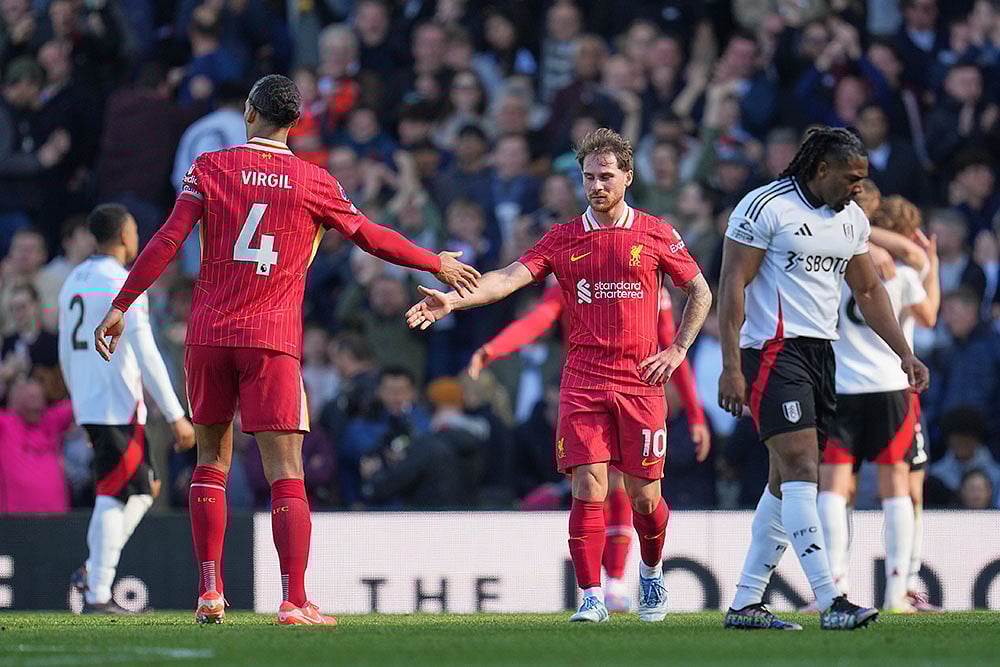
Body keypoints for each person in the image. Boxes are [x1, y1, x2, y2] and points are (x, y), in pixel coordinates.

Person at [94, 74, 480, 626]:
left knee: (210, 462)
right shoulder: (313, 181)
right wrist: (432, 261)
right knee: (285, 470)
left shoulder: (210, 168)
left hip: (209, 335)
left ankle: (210, 590)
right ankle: (294, 599)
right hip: (271, 340)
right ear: (295, 124)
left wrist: (122, 303)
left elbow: (167, 240)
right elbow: (370, 235)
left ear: (250, 113)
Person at [407, 128, 713, 623]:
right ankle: (591, 596)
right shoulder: (564, 237)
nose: (596, 186)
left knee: (644, 496)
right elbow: (507, 279)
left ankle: (652, 573)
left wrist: (678, 350)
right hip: (584, 382)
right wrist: (455, 299)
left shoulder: (655, 232)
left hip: (640, 383)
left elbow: (700, 291)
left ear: (628, 179)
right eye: (589, 177)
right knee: (588, 488)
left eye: (606, 177)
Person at [717, 126, 929, 631]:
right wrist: (730, 366)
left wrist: (905, 354)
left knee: (781, 480)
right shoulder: (764, 207)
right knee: (803, 467)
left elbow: (871, 290)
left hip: (821, 354)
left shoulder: (852, 220)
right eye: (852, 178)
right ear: (821, 170)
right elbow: (731, 286)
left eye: (864, 179)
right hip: (772, 351)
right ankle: (832, 600)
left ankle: (746, 602)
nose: (860, 188)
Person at [465, 280, 710, 612]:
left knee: (639, 493)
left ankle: (639, 574)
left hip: (638, 395)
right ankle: (602, 590)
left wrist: (695, 414)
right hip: (587, 392)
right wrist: (494, 349)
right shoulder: (574, 270)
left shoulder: (648, 281)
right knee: (592, 485)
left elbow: (670, 346)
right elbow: (539, 318)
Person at [58, 203, 197, 615]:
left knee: (142, 489)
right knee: (115, 495)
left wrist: (78, 401)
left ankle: (93, 569)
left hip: (93, 400)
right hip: (116, 401)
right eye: (135, 230)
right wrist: (176, 414)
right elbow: (146, 351)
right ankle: (98, 591)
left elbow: (67, 350)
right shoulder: (124, 281)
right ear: (123, 235)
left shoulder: (73, 282)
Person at [817, 195, 940, 613]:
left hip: (841, 388)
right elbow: (926, 299)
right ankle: (895, 594)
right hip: (891, 386)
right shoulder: (900, 273)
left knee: (832, 491)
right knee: (897, 490)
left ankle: (833, 588)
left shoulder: (830, 272)